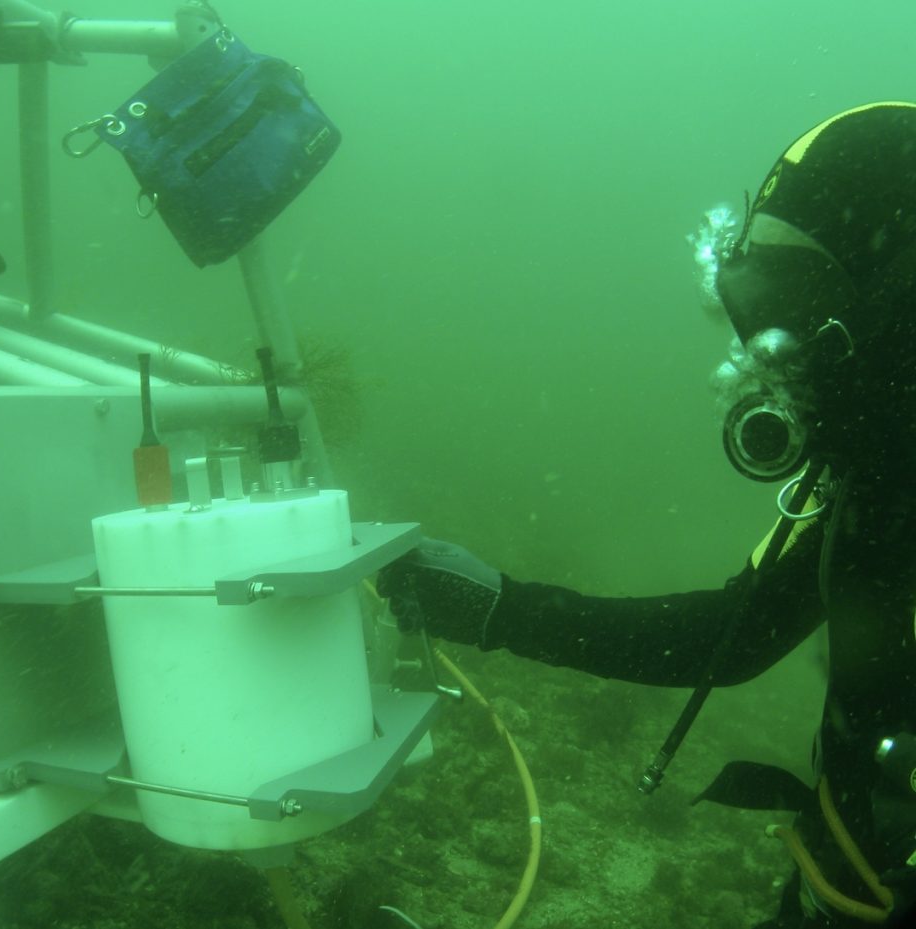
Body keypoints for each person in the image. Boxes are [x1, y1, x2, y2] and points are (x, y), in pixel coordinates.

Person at [377, 101, 916, 929]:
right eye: (764, 311)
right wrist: (505, 610)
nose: (780, 359)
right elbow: (728, 635)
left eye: (805, 312)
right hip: (847, 882)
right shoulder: (875, 480)